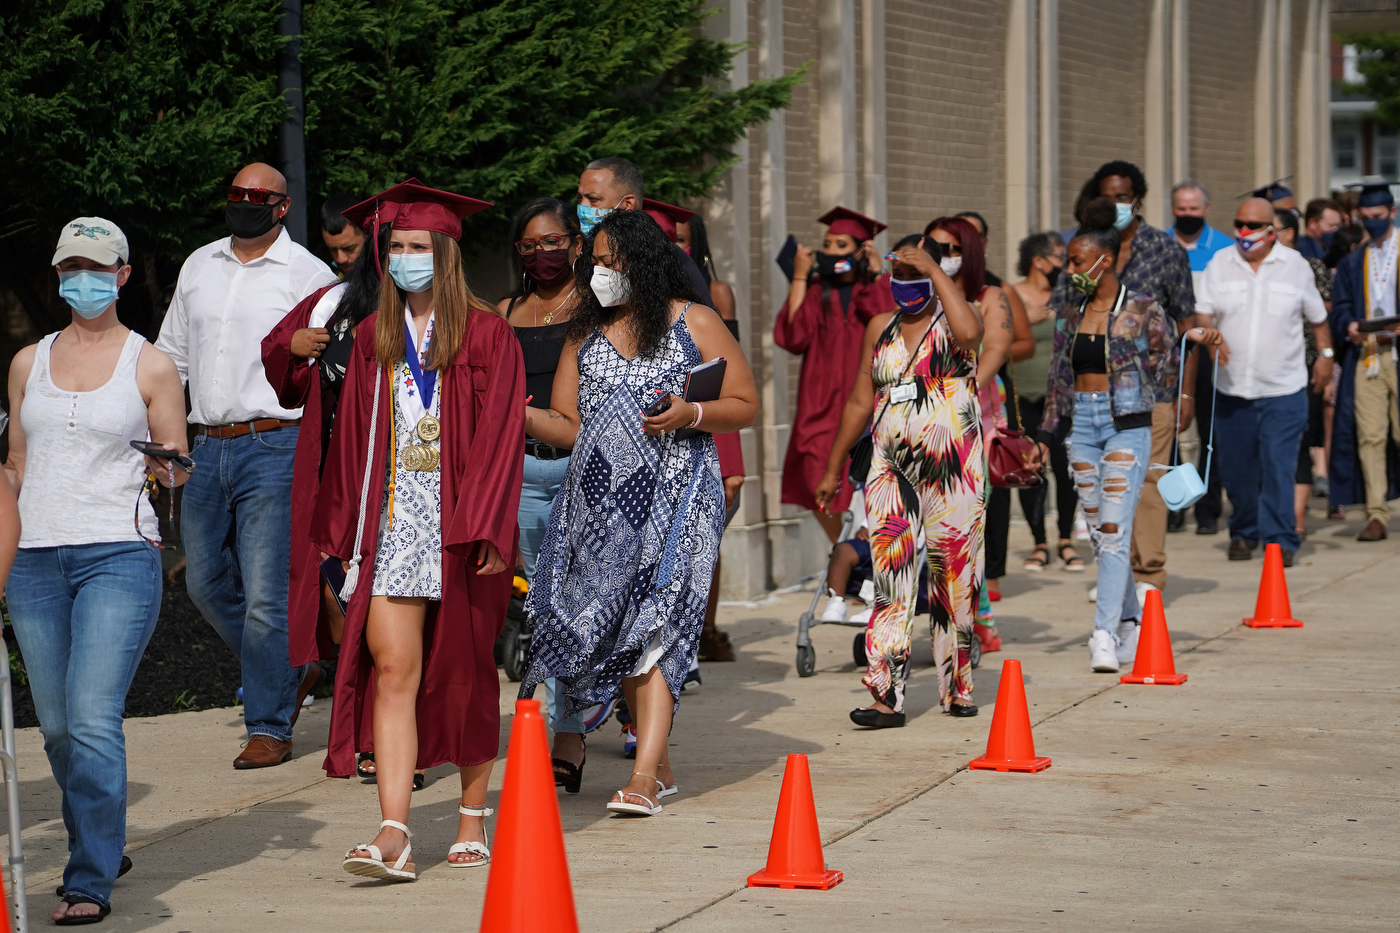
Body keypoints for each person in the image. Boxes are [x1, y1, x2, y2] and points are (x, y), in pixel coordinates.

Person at [314, 180, 525, 879]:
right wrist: (345, 533)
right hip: (395, 523)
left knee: (464, 673)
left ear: (446, 253)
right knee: (394, 669)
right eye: (397, 246)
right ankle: (395, 832)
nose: (405, 258)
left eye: (418, 246)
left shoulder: (489, 335)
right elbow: (351, 445)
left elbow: (501, 438)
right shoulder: (374, 338)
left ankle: (470, 816)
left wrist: (489, 524)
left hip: (462, 524)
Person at [520, 209, 757, 816]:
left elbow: (745, 402)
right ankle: (662, 765)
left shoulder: (693, 320)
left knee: (655, 629)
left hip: (678, 499)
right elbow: (568, 425)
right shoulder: (584, 332)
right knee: (622, 632)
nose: (600, 272)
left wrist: (690, 413)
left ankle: (645, 776)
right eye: (595, 262)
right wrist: (516, 414)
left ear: (643, 263)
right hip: (600, 508)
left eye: (611, 261)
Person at [5, 217, 189, 923]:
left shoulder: (151, 364)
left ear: (121, 275)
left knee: (90, 716)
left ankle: (89, 874)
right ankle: (101, 835)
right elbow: (18, 462)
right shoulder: (27, 362)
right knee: (55, 725)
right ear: (58, 276)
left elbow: (174, 459)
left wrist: (170, 469)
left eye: (97, 267)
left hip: (117, 550)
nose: (83, 279)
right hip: (34, 558)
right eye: (71, 268)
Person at [156, 162, 338, 769]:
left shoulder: (309, 274)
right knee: (204, 584)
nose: (245, 202)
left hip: (276, 444)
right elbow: (171, 358)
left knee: (266, 595)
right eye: (236, 193)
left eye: (258, 196)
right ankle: (292, 670)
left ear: (282, 207)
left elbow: (328, 368)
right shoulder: (199, 264)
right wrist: (165, 439)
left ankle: (268, 725)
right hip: (206, 444)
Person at [1035, 198, 1221, 673]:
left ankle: (1102, 633)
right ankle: (1132, 624)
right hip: (1082, 426)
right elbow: (1059, 378)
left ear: (1105, 260)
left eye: (1076, 262)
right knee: (1102, 537)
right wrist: (1045, 436)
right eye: (1068, 262)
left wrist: (1192, 344)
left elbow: (1169, 362)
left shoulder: (1142, 309)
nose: (1069, 270)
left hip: (1127, 426)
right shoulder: (1070, 311)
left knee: (1115, 535)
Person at [815, 234, 986, 725]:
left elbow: (970, 335)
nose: (906, 284)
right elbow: (858, 399)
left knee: (955, 576)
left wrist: (934, 271)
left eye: (917, 274)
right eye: (901, 274)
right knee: (891, 577)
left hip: (954, 466)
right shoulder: (880, 326)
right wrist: (833, 468)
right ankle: (885, 694)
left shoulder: (957, 316)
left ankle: (957, 687)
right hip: (891, 468)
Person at [262, 197, 390, 782]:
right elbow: (277, 352)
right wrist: (292, 349)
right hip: (334, 479)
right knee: (341, 605)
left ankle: (385, 732)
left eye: (352, 249)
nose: (341, 260)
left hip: (398, 480)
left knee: (389, 611)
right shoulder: (331, 304)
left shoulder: (424, 311)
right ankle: (360, 727)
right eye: (334, 250)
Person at [1051, 161, 1200, 601]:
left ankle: (1148, 573)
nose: (1116, 204)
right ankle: (1116, 574)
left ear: (1137, 199)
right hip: (1093, 395)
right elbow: (1063, 319)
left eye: (1123, 196)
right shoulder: (1081, 248)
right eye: (1107, 197)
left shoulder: (1164, 250)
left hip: (1153, 391)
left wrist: (1186, 391)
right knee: (1102, 486)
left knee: (1147, 480)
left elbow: (1185, 323)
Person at [496, 196, 589, 789]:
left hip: (585, 470)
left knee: (583, 603)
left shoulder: (599, 308)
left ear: (576, 244)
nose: (541, 254)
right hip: (525, 474)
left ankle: (579, 724)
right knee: (548, 604)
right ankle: (564, 731)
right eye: (529, 245)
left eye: (552, 242)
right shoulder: (506, 311)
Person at [1196, 198, 1331, 567]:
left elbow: (1318, 319)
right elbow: (1203, 313)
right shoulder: (1220, 263)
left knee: (1278, 464)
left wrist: (1326, 356)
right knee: (1237, 470)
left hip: (1283, 389)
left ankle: (1280, 539)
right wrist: (1209, 336)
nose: (1245, 231)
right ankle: (1243, 532)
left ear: (1272, 229)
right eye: (1239, 223)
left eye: (1254, 225)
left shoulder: (1295, 266)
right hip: (1232, 389)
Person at [775, 207, 895, 542]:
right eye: (827, 245)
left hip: (865, 400)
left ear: (861, 250)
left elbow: (890, 323)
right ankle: (847, 550)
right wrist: (800, 277)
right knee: (814, 479)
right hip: (819, 402)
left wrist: (877, 271)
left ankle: (854, 555)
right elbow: (793, 338)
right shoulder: (817, 290)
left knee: (863, 482)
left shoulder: (869, 291)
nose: (830, 252)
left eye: (841, 245)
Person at [923, 215, 1014, 646]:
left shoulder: (989, 296)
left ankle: (978, 620)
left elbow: (995, 346)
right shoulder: (915, 293)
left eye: (953, 249)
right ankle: (960, 616)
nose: (944, 257)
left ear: (971, 252)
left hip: (974, 423)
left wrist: (961, 390)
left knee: (965, 528)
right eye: (935, 248)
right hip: (919, 424)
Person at [676, 208, 744, 663]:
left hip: (707, 421)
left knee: (705, 540)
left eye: (682, 240)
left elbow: (728, 380)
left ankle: (706, 631)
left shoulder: (715, 295)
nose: (675, 249)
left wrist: (731, 463)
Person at [1329, 181, 1400, 541]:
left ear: (1392, 213)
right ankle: (1376, 513)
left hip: (1398, 353)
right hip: (1369, 354)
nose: (1372, 222)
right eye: (1366, 217)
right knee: (1370, 435)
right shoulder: (1354, 261)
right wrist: (1350, 326)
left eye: (1378, 215)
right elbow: (1340, 306)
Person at [1011, 231, 1084, 573]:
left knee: (1066, 469)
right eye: (1059, 256)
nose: (1064, 264)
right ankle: (1039, 542)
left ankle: (1066, 539)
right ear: (1038, 261)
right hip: (1022, 397)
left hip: (1062, 397)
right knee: (1030, 472)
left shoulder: (1068, 294)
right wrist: (1024, 321)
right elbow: (993, 340)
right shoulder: (1012, 295)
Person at [575, 156, 712, 304]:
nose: (582, 207)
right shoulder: (578, 250)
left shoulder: (669, 259)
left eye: (593, 199)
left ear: (627, 204)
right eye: (580, 198)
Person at [321, 193, 368, 276]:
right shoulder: (329, 277)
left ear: (368, 235)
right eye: (333, 249)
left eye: (349, 248)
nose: (340, 259)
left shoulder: (389, 275)